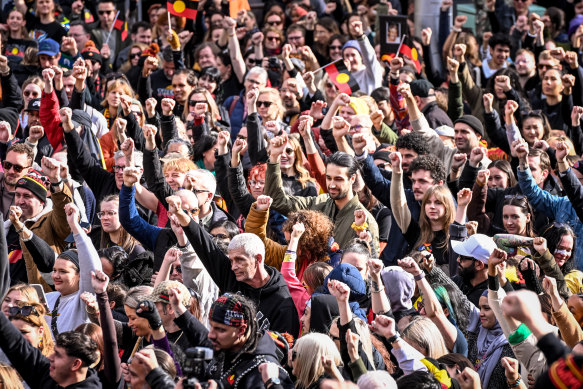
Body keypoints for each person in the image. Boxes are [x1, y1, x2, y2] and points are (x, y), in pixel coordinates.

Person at [167, 194, 301, 337]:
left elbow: (284, 348)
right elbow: (202, 242)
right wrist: (180, 213)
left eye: (239, 260)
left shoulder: (281, 301)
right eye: (231, 260)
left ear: (258, 259)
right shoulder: (232, 276)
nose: (233, 266)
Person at [265, 134, 379, 252]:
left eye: (338, 179)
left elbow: (369, 265)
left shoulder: (365, 222)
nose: (332, 185)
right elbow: (277, 201)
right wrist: (274, 158)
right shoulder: (319, 203)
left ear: (352, 179)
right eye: (329, 178)